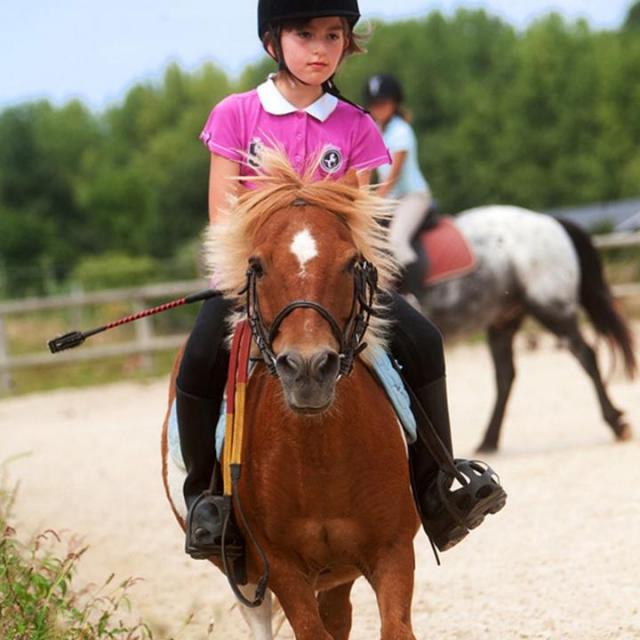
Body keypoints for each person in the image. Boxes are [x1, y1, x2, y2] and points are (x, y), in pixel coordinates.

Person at [177, 0, 506, 560]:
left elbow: (356, 220)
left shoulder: (355, 125)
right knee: (200, 357)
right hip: (255, 285)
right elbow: (223, 216)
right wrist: (248, 277)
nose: (320, 48)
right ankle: (209, 503)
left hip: (333, 285)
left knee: (423, 340)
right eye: (305, 34)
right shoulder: (235, 114)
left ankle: (438, 487)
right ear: (271, 42)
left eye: (333, 35)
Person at [364, 73, 433, 292]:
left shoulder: (401, 131)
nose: (379, 108)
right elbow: (365, 169)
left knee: (396, 241)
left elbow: (393, 176)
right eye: (374, 104)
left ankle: (414, 296)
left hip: (412, 196)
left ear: (394, 103)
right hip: (391, 198)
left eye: (383, 103)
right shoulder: (374, 130)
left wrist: (373, 202)